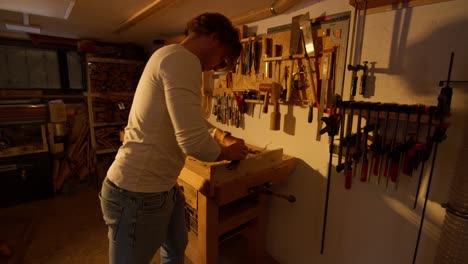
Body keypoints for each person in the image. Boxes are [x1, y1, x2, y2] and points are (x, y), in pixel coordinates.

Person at [99, 12, 247, 264]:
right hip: (137, 193)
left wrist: (223, 136)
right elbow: (193, 143)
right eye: (221, 59)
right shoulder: (182, 60)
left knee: (177, 249)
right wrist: (226, 153)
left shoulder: (168, 55)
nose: (214, 67)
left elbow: (191, 121)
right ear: (214, 38)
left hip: (162, 188)